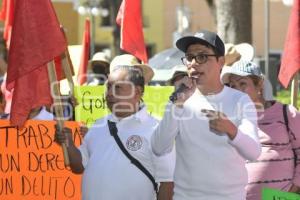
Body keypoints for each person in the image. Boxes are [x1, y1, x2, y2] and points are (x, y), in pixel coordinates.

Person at [151, 30, 261, 200]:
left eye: (202, 57)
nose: (193, 63)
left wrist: (231, 130)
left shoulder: (240, 100)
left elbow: (254, 152)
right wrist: (177, 104)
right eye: (189, 57)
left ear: (221, 61)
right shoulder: (178, 100)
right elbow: (158, 148)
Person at [55, 55, 175, 200]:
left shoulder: (157, 129)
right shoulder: (97, 125)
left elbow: (167, 184)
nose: (110, 93)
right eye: (108, 87)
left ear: (137, 92)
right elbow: (78, 167)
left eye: (118, 88)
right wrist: (68, 143)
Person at [221, 59, 300, 199]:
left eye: (242, 84)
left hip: (280, 197)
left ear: (259, 85)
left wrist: (293, 190)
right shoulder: (230, 119)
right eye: (232, 86)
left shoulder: (287, 113)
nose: (237, 90)